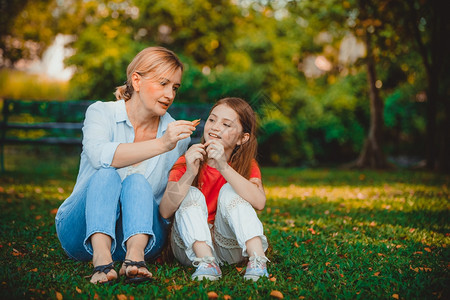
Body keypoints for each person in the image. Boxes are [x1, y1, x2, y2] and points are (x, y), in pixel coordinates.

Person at [55, 46, 195, 284]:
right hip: (80, 235)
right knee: (107, 174)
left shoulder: (177, 135)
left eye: (175, 87)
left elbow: (166, 202)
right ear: (136, 81)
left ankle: (134, 259)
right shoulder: (101, 113)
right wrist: (162, 144)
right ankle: (101, 259)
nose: (170, 94)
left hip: (143, 239)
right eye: (163, 84)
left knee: (137, 182)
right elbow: (100, 154)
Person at [159, 97, 270, 282]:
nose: (215, 127)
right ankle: (207, 263)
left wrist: (223, 167)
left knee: (231, 190)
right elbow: (165, 210)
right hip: (190, 249)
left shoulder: (247, 165)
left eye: (226, 124)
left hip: (229, 247)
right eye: (212, 119)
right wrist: (190, 173)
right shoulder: (188, 160)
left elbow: (259, 202)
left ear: (243, 138)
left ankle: (258, 260)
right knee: (191, 192)